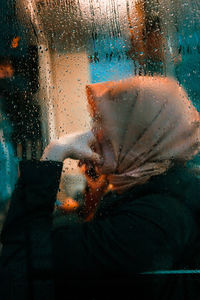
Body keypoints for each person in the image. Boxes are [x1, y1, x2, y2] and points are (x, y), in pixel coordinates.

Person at [0, 76, 200, 300]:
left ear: (139, 133)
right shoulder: (167, 195)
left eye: (102, 121)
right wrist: (97, 194)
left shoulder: (158, 216)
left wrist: (54, 154)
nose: (93, 133)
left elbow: (22, 265)